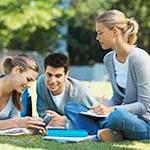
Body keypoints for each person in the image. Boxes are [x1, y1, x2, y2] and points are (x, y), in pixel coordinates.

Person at [65, 10, 150, 142]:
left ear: (115, 31)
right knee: (71, 107)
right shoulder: (109, 59)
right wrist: (102, 109)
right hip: (118, 115)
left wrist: (111, 109)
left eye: (100, 33)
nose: (97, 38)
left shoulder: (140, 59)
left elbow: (144, 105)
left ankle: (99, 130)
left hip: (143, 121)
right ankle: (109, 132)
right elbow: (117, 96)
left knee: (117, 116)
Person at [36, 53, 98, 128]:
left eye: (58, 76)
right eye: (49, 75)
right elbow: (42, 112)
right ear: (44, 72)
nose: (52, 81)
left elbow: (95, 118)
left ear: (66, 74)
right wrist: (52, 119)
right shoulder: (41, 83)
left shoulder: (81, 91)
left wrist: (66, 120)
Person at [0, 54, 45, 131]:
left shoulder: (15, 95)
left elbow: (14, 122)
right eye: (28, 79)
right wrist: (16, 123)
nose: (30, 85)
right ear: (16, 70)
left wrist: (30, 122)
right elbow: (15, 122)